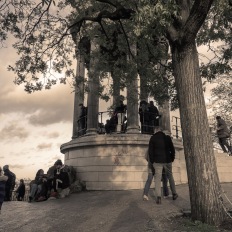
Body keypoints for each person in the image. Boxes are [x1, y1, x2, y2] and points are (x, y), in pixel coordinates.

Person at [149, 126, 178, 204]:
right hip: (167, 160)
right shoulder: (167, 138)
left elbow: (150, 152)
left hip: (157, 161)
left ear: (156, 130)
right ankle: (174, 193)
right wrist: (172, 158)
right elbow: (172, 149)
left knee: (157, 179)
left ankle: (158, 197)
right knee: (170, 176)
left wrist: (152, 161)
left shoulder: (153, 138)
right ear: (161, 131)